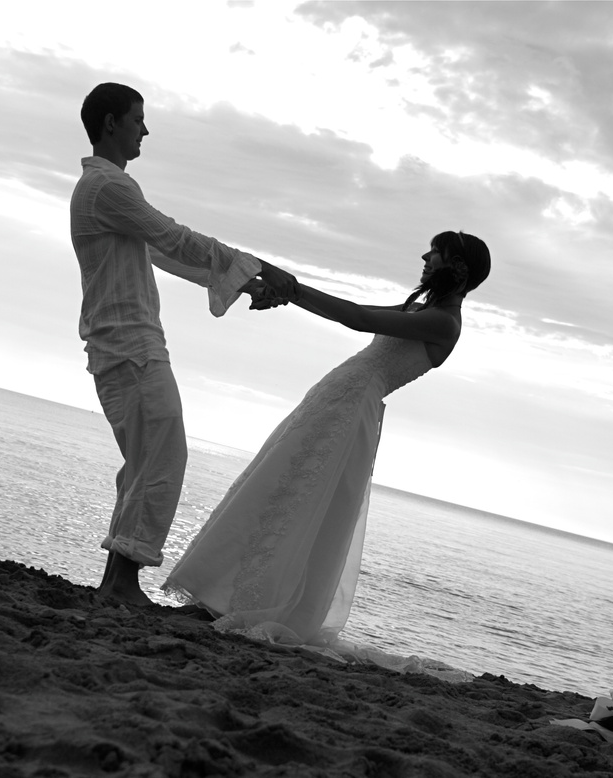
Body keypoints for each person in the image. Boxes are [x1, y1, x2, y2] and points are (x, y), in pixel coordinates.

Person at [163, 230, 491, 652]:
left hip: (352, 407)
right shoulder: (421, 308)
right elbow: (354, 312)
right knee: (275, 488)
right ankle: (222, 596)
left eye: (437, 253)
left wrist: (291, 287)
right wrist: (289, 294)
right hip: (337, 396)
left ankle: (246, 603)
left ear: (459, 269)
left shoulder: (443, 322)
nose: (426, 256)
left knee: (295, 499)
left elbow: (355, 316)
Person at [71, 82, 297, 607]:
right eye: (137, 120)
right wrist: (260, 266)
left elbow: (164, 253)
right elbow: (175, 237)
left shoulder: (109, 190)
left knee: (147, 460)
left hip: (128, 342)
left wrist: (246, 283)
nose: (145, 130)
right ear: (111, 124)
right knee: (163, 456)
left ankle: (115, 584)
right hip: (128, 345)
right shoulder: (108, 189)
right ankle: (122, 583)